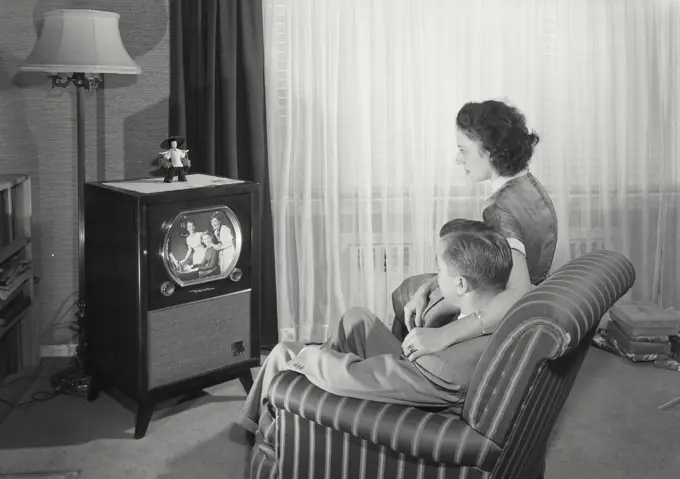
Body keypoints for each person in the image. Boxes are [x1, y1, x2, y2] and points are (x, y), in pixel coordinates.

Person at [237, 219, 513, 443]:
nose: (435, 277)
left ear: (462, 285)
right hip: (416, 373)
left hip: (409, 401)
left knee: (285, 353)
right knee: (356, 320)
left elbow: (349, 375)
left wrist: (307, 356)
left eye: (439, 270)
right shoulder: (494, 309)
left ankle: (268, 434)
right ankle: (294, 412)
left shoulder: (444, 365)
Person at [391, 99, 558, 359]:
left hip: (498, 307)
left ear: (490, 151)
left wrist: (443, 335)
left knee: (404, 295)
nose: (459, 159)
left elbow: (517, 291)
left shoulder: (500, 209)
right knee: (416, 287)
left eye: (464, 150)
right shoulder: (531, 186)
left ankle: (410, 369)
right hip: (510, 288)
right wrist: (428, 287)